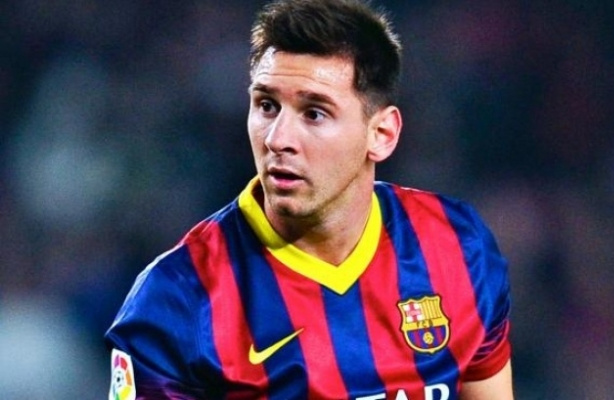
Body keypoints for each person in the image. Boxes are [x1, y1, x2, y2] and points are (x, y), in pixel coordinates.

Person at [105, 0, 514, 398]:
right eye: (267, 106)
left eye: (314, 113)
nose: (278, 138)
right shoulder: (177, 299)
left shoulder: (457, 247)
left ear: (381, 134)